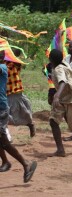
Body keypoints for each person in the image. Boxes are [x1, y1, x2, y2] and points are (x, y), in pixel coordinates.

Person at [0, 52, 37, 182]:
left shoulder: (3, 68)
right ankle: (6, 162)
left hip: (2, 108)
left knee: (4, 142)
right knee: (2, 140)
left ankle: (26, 164)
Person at [48, 49, 72, 157]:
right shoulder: (64, 63)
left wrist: (56, 95)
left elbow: (62, 82)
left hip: (71, 97)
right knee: (53, 121)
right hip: (63, 98)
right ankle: (60, 150)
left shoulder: (59, 69)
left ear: (50, 59)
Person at [5, 48, 36, 137]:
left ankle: (29, 124)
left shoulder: (14, 64)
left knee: (15, 118)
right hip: (6, 94)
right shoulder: (4, 64)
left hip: (14, 94)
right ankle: (6, 136)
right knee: (6, 117)